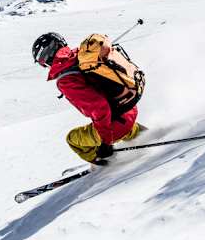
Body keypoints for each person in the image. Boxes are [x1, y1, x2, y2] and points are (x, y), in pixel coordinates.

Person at [32, 32, 142, 164]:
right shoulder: (83, 56)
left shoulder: (66, 79)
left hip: (115, 123)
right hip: (128, 107)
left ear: (46, 57)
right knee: (122, 126)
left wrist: (106, 142)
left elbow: (99, 108)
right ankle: (147, 134)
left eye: (42, 62)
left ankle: (103, 166)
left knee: (72, 139)